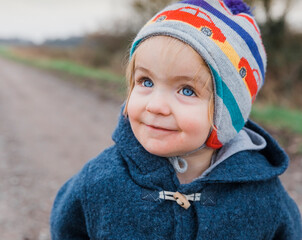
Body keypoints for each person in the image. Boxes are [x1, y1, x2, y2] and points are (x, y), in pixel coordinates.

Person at [50, 0, 302, 239]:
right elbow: (66, 228)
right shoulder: (101, 180)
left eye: (187, 90)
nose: (156, 106)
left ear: (227, 116)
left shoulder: (261, 195)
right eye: (145, 82)